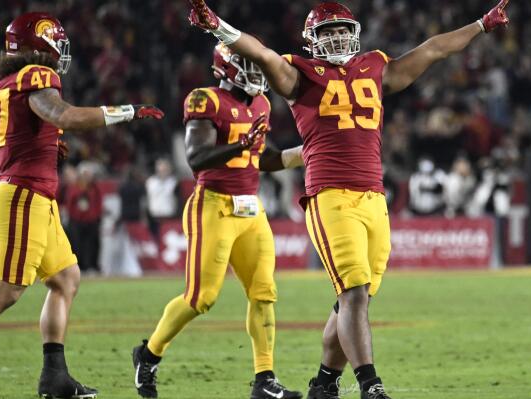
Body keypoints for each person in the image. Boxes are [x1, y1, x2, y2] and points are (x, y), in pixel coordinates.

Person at [188, 1, 511, 398]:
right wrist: (217, 26)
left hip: (375, 198)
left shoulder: (375, 66)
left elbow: (433, 49)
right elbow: (260, 52)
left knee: (351, 303)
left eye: (343, 30)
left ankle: (324, 382)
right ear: (312, 40)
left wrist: (481, 24)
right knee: (353, 293)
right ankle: (370, 385)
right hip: (331, 196)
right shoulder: (299, 74)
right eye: (328, 32)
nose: (338, 37)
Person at [0, 12, 163, 399]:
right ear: (37, 45)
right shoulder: (36, 76)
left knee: (66, 279)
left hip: (33, 195)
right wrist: (126, 111)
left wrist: (39, 144)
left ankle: (54, 376)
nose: (60, 53)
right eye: (56, 43)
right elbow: (64, 114)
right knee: (3, 292)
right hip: (24, 196)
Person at [131, 42, 304, 399]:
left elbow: (260, 158)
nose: (257, 70)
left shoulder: (262, 103)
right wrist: (241, 145)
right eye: (248, 63)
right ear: (227, 67)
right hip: (213, 205)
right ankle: (148, 355)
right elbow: (197, 157)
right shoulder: (204, 99)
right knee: (201, 297)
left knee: (264, 294)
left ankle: (264, 379)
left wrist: (302, 154)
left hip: (251, 209)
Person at [65, 163, 103, 273]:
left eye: (90, 174)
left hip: (91, 221)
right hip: (77, 221)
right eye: (86, 174)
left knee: (92, 244)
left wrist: (96, 216)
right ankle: (79, 267)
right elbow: (70, 203)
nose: (88, 177)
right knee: (77, 244)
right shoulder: (75, 187)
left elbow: (98, 203)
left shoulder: (95, 188)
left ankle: (90, 266)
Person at [145, 158, 179, 239]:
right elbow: (146, 199)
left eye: (165, 168)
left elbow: (178, 200)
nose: (163, 170)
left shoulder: (174, 182)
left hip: (170, 217)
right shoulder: (150, 182)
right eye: (161, 168)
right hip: (154, 218)